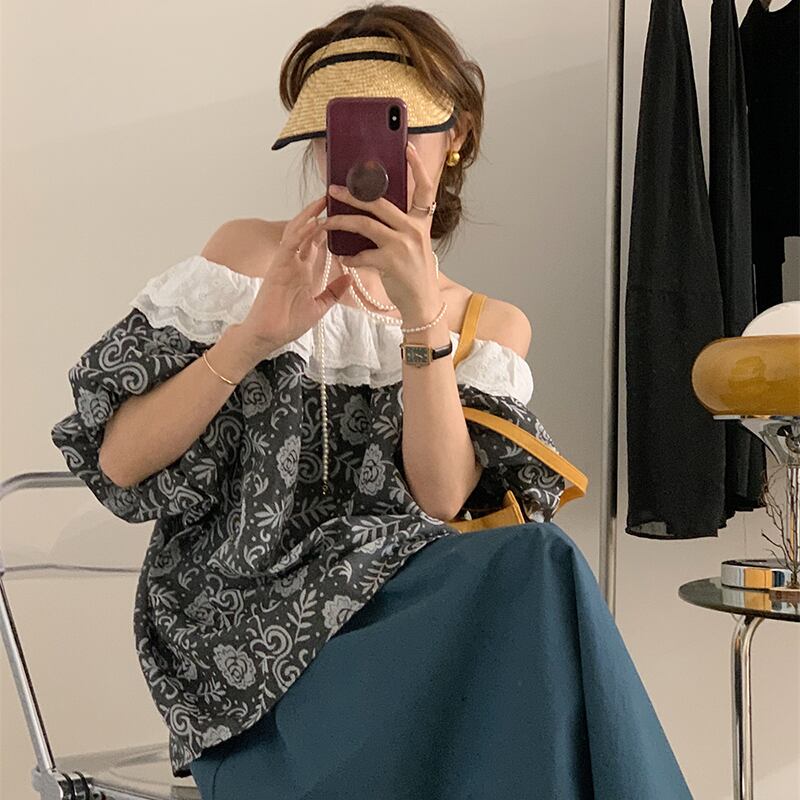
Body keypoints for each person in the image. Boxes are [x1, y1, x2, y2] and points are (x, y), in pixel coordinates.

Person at [51, 4, 693, 798]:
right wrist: (254, 336)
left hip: (412, 628)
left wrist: (421, 317)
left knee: (539, 563)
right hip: (246, 636)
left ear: (457, 137)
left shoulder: (487, 327)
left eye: (399, 126)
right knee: (542, 584)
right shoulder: (248, 258)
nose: (363, 157)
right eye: (336, 131)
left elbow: (443, 496)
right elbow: (119, 462)